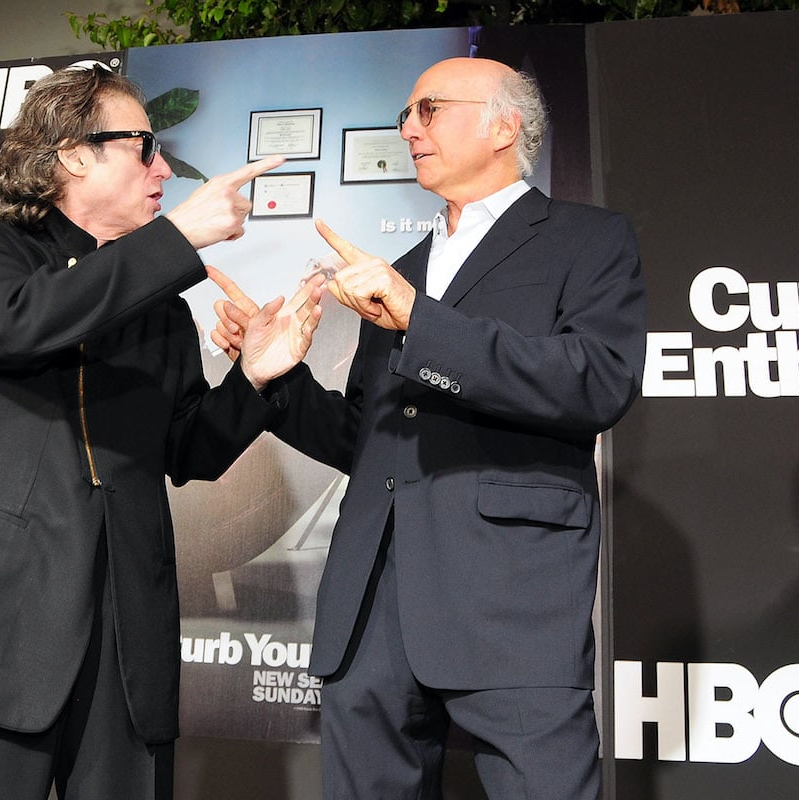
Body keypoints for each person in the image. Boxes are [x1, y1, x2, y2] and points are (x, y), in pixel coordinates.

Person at [213, 57, 646, 798]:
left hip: (512, 599)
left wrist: (422, 321)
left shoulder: (587, 239)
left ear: (505, 124)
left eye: (429, 109)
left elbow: (596, 382)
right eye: (405, 116)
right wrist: (277, 374)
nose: (408, 128)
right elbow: (366, 441)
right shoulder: (405, 266)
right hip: (371, 609)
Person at [0, 65, 323, 800]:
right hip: (0, 622)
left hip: (128, 640)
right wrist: (179, 237)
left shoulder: (164, 310)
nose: (164, 168)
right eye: (144, 146)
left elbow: (189, 449)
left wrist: (253, 378)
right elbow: (19, 323)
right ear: (73, 154)